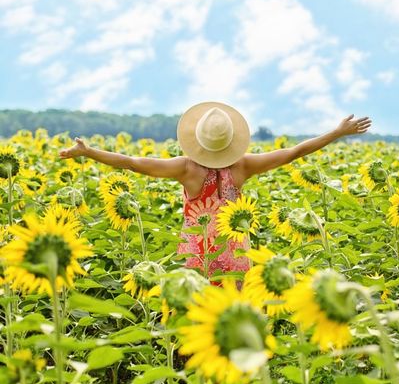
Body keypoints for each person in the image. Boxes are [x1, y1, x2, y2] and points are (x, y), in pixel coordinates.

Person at [59, 101, 372, 287]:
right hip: (236, 257)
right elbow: (293, 152)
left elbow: (132, 163)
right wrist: (336, 132)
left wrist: (89, 152)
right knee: (233, 320)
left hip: (199, 257)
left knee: (198, 319)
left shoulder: (187, 169)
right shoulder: (243, 166)